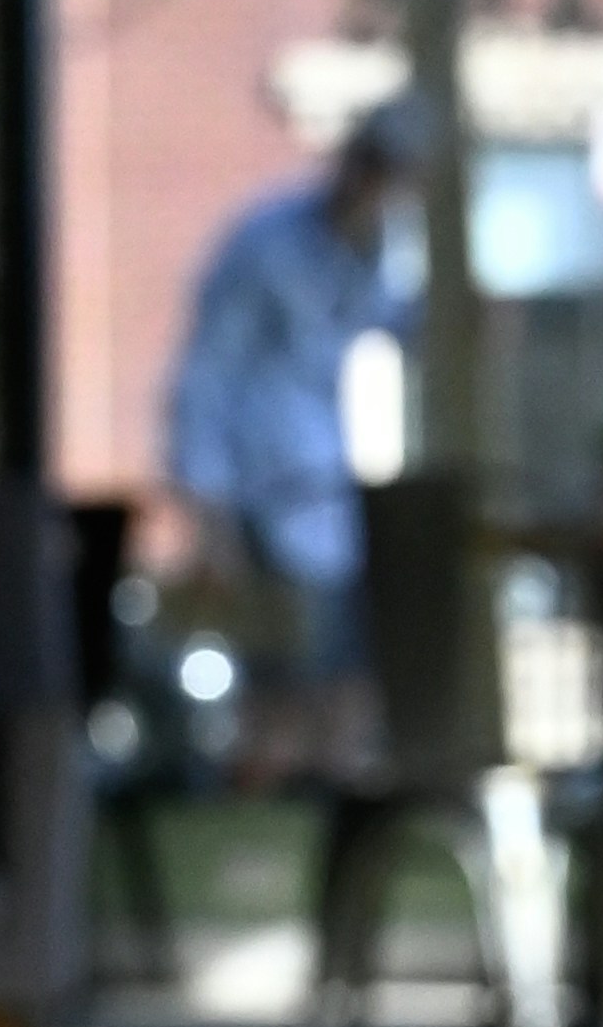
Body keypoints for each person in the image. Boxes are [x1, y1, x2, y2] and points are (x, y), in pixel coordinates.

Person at [163, 110, 414, 687]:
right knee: (279, 681)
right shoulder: (267, 248)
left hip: (330, 499)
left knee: (336, 679)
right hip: (260, 498)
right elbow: (206, 376)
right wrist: (207, 510)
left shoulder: (368, 258)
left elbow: (375, 319)